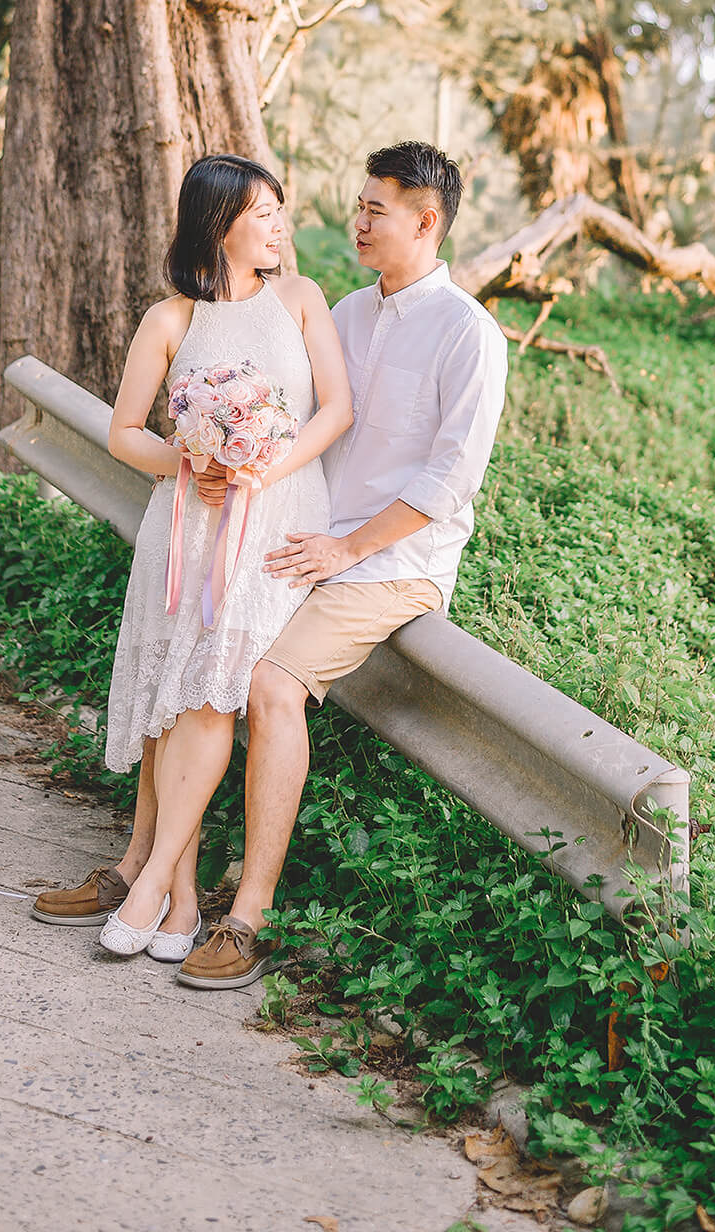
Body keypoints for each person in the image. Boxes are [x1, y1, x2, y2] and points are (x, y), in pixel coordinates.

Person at [176, 140, 508, 989]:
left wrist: (349, 548)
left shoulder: (469, 333)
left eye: (377, 210)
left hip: (392, 561)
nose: (357, 222)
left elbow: (449, 481)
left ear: (427, 222)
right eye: (357, 205)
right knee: (193, 651)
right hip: (301, 538)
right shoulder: (345, 313)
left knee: (272, 686)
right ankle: (158, 876)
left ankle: (248, 915)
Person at [31, 153, 351, 962]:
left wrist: (260, 467)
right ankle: (175, 901)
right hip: (189, 526)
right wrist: (191, 461)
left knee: (210, 696)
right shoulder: (170, 319)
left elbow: (337, 410)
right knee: (170, 703)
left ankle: (148, 880)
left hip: (274, 522)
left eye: (281, 211)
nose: (281, 225)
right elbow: (124, 432)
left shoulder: (303, 301)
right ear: (220, 225)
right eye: (266, 212)